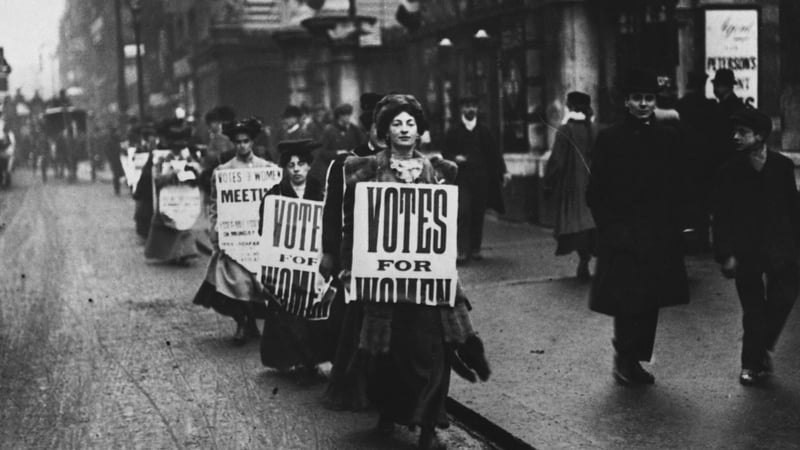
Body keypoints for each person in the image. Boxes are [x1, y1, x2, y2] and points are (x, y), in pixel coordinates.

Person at [341, 94, 488, 449]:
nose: (405, 129)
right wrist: (348, 266)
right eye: (397, 123)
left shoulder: (434, 171)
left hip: (427, 282)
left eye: (410, 123)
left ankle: (428, 426)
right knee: (388, 355)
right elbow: (353, 223)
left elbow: (444, 225)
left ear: (419, 131)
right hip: (385, 284)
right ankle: (389, 413)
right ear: (386, 131)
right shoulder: (368, 170)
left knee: (433, 352)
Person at [586, 68, 690, 386]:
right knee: (626, 299)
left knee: (650, 299)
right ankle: (624, 358)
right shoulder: (610, 138)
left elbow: (679, 185)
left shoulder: (668, 138)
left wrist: (676, 225)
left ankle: (636, 360)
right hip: (623, 234)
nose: (643, 104)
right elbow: (595, 191)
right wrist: (611, 229)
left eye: (648, 98)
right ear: (626, 102)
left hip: (658, 235)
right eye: (637, 98)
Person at [712, 108, 800, 386]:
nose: (735, 137)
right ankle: (750, 363)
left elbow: (793, 209)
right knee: (753, 310)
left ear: (760, 136)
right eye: (735, 132)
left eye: (743, 132)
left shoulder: (782, 167)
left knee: (783, 298)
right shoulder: (729, 171)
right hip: (745, 251)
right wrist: (726, 254)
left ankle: (760, 348)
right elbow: (721, 217)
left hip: (780, 250)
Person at [321, 92, 386, 411]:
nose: (384, 134)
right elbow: (332, 210)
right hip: (356, 257)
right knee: (354, 324)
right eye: (378, 127)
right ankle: (354, 388)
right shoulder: (347, 163)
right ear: (368, 128)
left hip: (391, 263)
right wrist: (329, 252)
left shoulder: (408, 163)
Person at [257, 139, 337, 380]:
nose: (296, 170)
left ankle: (318, 358)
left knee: (316, 310)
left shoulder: (323, 193)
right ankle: (298, 361)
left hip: (316, 264)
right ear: (285, 168)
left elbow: (331, 226)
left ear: (309, 166)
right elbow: (265, 230)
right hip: (286, 266)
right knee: (288, 312)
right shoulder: (274, 195)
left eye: (301, 164)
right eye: (291, 165)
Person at [193, 118, 277, 344]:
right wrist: (215, 231)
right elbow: (215, 205)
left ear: (252, 142)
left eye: (246, 141)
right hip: (235, 241)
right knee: (236, 284)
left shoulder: (267, 169)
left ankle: (254, 322)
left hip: (259, 239)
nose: (242, 146)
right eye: (238, 142)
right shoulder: (223, 172)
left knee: (261, 285)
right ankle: (242, 322)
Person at [444, 95, 510, 263]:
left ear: (477, 109)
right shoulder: (454, 131)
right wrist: (454, 158)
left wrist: (503, 171)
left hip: (481, 178)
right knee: (463, 212)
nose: (470, 109)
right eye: (467, 106)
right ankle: (461, 250)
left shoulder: (484, 130)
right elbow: (445, 153)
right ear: (461, 109)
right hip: (462, 178)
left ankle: (475, 249)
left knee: (478, 213)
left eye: (473, 106)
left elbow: (494, 153)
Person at [543, 91, 596, 279]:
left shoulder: (566, 130)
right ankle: (587, 259)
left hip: (573, 187)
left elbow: (557, 161)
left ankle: (584, 259)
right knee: (591, 223)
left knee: (577, 224)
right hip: (595, 185)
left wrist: (548, 183)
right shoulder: (595, 129)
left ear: (570, 107)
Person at [143, 119, 201, 265]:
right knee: (167, 224)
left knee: (184, 222)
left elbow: (198, 172)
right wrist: (170, 175)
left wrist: (191, 173)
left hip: (185, 194)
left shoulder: (187, 156)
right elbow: (156, 178)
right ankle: (169, 253)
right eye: (175, 146)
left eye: (180, 146)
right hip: (168, 195)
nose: (177, 149)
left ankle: (185, 252)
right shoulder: (161, 157)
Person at [676, 71, 719, 252]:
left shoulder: (680, 105)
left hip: (685, 160)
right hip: (705, 161)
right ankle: (702, 239)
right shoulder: (710, 106)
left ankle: (686, 240)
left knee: (686, 201)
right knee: (703, 202)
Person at [314, 103, 365, 186]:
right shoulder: (329, 131)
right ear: (339, 116)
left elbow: (362, 145)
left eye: (349, 115)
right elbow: (321, 151)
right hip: (333, 168)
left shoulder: (354, 130)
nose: (348, 117)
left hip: (351, 168)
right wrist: (337, 153)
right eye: (345, 115)